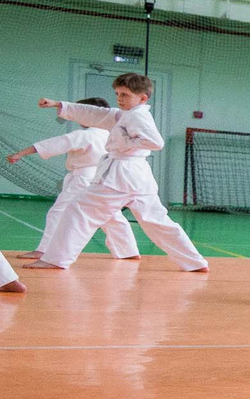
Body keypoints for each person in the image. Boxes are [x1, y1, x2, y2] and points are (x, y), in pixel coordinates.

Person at [29, 73, 209, 272]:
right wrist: (60, 104)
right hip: (137, 177)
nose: (120, 98)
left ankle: (55, 259)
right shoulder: (127, 114)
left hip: (120, 176)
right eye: (118, 93)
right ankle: (195, 262)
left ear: (142, 98)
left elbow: (155, 142)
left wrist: (125, 143)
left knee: (78, 211)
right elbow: (96, 114)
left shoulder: (137, 115)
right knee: (157, 222)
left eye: (125, 94)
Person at [6, 99, 140, 263]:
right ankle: (128, 251)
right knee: (109, 214)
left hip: (83, 178)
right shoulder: (111, 134)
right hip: (104, 177)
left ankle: (44, 250)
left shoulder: (84, 135)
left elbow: (54, 144)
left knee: (59, 212)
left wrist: (20, 153)